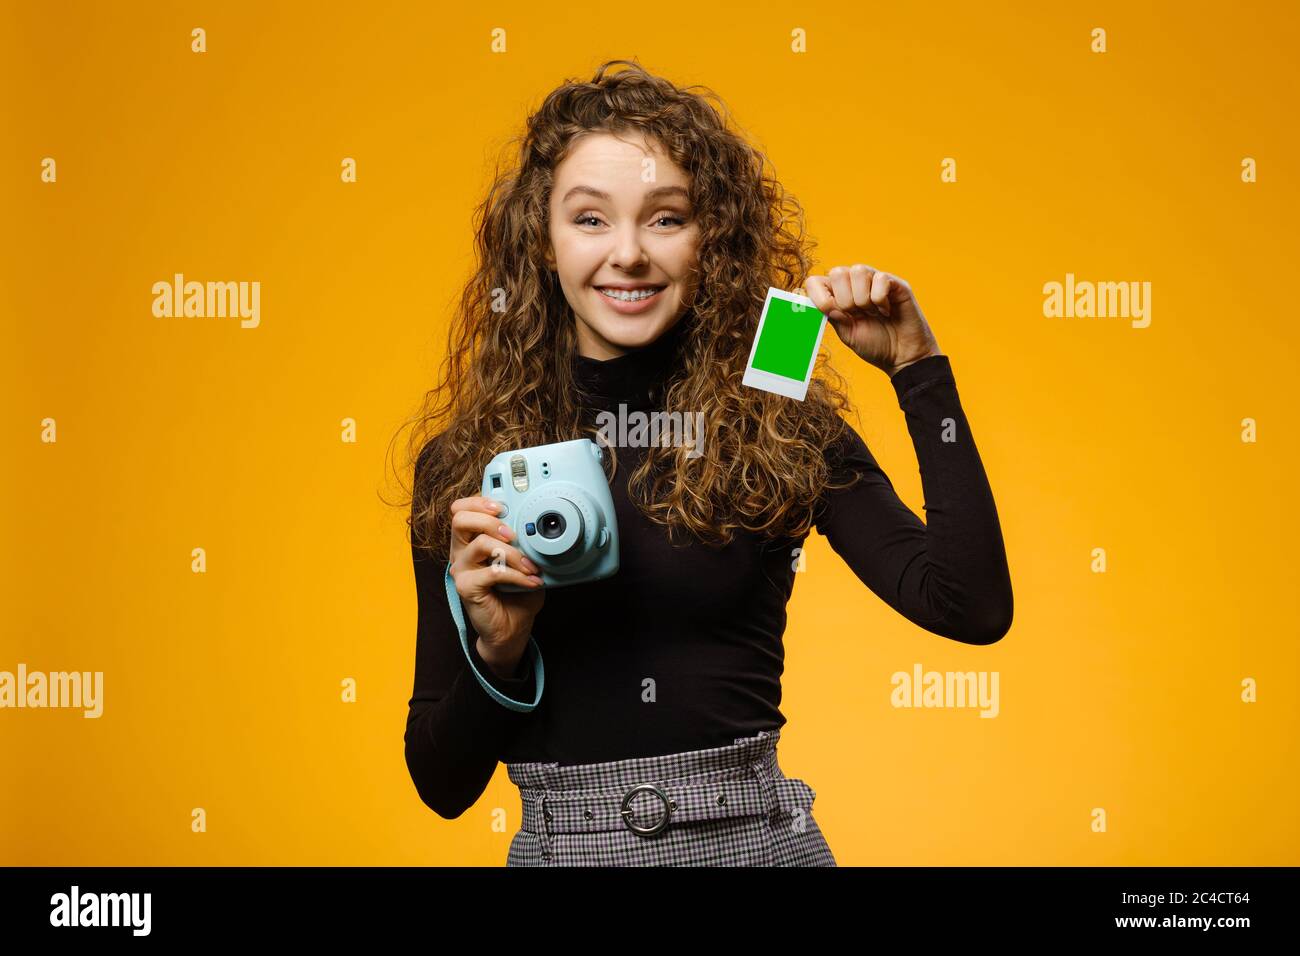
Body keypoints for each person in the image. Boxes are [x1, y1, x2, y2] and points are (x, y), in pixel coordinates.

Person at [395, 60, 1013, 866]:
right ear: (540, 242)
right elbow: (441, 785)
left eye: (666, 218)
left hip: (754, 845)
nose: (628, 255)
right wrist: (496, 653)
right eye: (589, 220)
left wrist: (919, 372)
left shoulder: (777, 428)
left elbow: (970, 608)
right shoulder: (471, 463)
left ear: (711, 240)